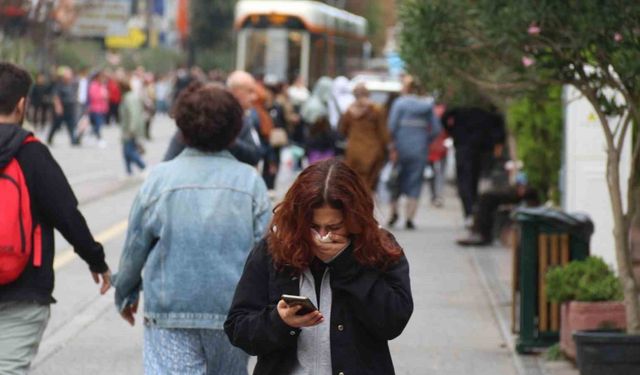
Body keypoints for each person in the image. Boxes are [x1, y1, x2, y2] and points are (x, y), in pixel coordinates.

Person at [114, 82, 272, 375]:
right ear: (235, 130)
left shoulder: (159, 180)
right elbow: (267, 253)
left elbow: (136, 246)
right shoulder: (250, 182)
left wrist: (125, 292)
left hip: (170, 308)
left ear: (182, 128)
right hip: (232, 311)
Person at [225, 159, 413, 375]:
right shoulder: (274, 249)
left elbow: (393, 321)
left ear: (354, 220)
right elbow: (238, 327)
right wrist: (279, 321)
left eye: (334, 227)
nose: (323, 237)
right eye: (313, 227)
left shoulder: (379, 248)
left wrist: (347, 266)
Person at [0, 62, 111, 374]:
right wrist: (97, 261)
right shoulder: (32, 154)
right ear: (22, 104)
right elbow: (67, 216)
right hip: (24, 289)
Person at [162, 70, 262, 166]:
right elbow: (170, 159)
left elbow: (255, 155)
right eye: (249, 91)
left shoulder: (246, 120)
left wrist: (227, 139)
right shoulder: (192, 127)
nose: (254, 97)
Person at [387, 75, 441, 229]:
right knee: (415, 181)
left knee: (395, 180)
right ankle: (409, 218)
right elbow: (437, 129)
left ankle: (393, 213)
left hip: (400, 147)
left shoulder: (399, 104)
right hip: (420, 149)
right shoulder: (427, 106)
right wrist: (425, 139)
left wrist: (392, 146)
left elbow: (391, 127)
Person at [442, 106, 506, 226]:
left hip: (468, 146)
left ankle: (472, 213)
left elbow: (445, 117)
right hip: (482, 147)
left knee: (468, 182)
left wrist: (453, 132)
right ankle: (473, 213)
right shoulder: (487, 104)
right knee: (477, 181)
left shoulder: (461, 102)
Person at [457, 172, 540, 246]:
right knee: (486, 197)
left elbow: (524, 191)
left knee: (487, 197)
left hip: (519, 195)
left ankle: (481, 233)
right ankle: (480, 232)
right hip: (516, 190)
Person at [340, 83, 390, 191]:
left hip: (353, 151)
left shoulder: (349, 111)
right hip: (372, 150)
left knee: (354, 183)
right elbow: (383, 132)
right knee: (368, 184)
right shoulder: (376, 110)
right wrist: (388, 148)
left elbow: (343, 130)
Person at [118, 81, 146, 176]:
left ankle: (143, 166)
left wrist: (131, 129)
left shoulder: (129, 99)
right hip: (129, 128)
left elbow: (133, 114)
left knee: (128, 151)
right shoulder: (130, 96)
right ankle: (128, 171)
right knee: (126, 151)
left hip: (129, 129)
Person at [47, 66, 80, 146]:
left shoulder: (73, 84)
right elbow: (56, 97)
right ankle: (50, 138)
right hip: (62, 108)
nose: (69, 77)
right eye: (67, 75)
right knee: (56, 124)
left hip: (70, 108)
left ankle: (73, 140)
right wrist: (58, 107)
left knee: (71, 125)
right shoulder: (59, 85)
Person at [87, 70, 109, 145]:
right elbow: (93, 96)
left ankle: (90, 136)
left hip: (102, 108)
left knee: (96, 125)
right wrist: (102, 96)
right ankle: (99, 139)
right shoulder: (93, 85)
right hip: (95, 108)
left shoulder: (103, 85)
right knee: (98, 124)